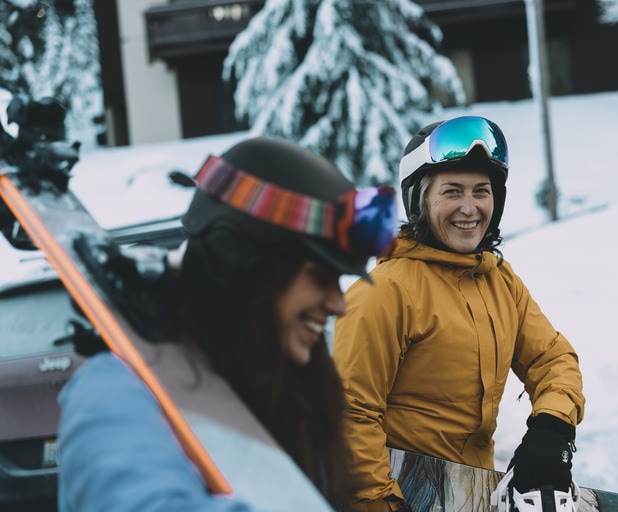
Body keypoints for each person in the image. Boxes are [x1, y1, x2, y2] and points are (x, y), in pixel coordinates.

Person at [57, 137, 398, 511]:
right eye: (319, 277)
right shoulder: (114, 392)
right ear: (237, 263)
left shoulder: (283, 382)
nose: (338, 305)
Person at [332, 116, 586, 511]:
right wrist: (377, 501)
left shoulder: (500, 282)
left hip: (472, 489)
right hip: (399, 489)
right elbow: (350, 412)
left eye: (481, 191)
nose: (470, 208)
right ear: (420, 200)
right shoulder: (386, 292)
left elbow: (552, 359)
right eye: (452, 191)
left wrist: (551, 429)